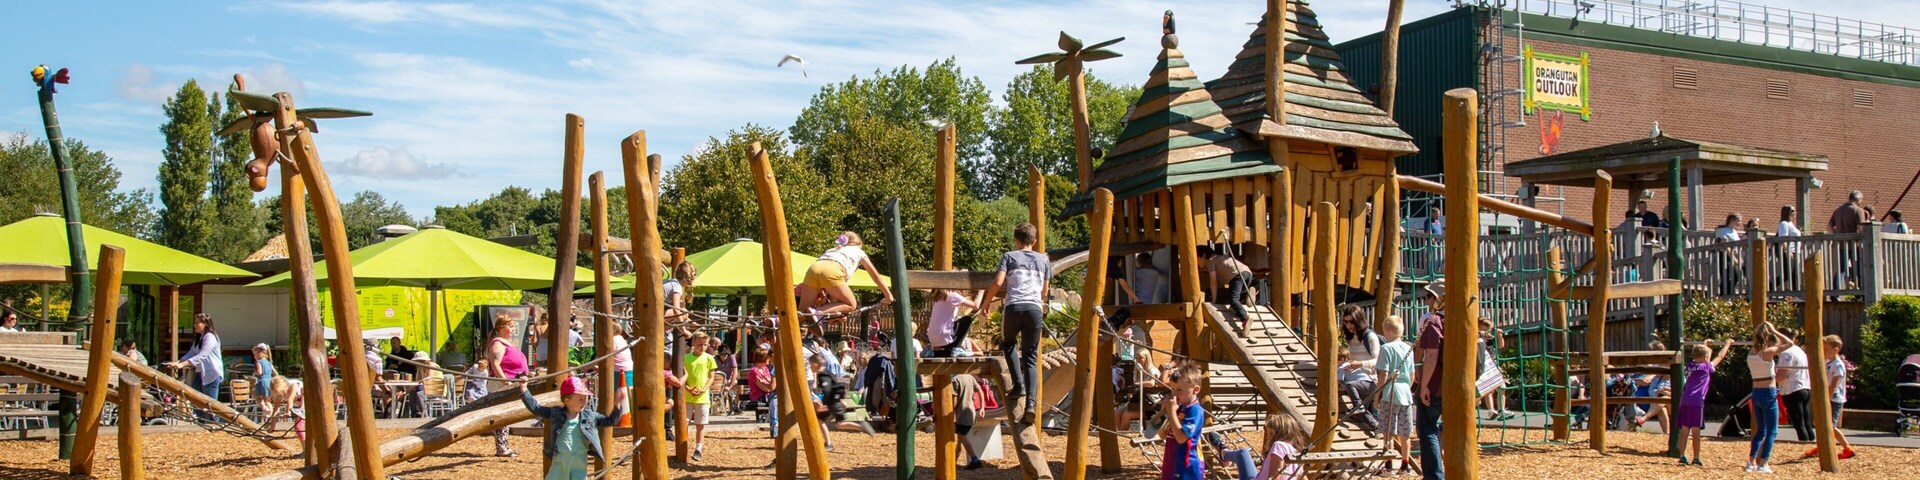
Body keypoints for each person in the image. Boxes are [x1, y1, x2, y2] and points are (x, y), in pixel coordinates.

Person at [986, 222, 1051, 421]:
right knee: (1031, 356)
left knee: (1008, 343)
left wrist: (986, 304)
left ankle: (1018, 384)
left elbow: (998, 282)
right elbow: (1045, 291)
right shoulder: (1044, 260)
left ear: (1016, 241)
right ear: (1035, 241)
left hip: (1014, 306)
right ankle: (1031, 403)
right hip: (1034, 308)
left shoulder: (1010, 256)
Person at [520, 377, 625, 480]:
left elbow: (610, 421)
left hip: (579, 460)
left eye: (585, 399)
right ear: (567, 401)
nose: (584, 402)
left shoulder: (589, 416)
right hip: (561, 459)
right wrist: (524, 390)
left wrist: (618, 404)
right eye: (580, 399)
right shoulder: (556, 413)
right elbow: (536, 408)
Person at [797, 231, 895, 317]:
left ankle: (790, 326)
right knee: (851, 305)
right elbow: (876, 277)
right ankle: (816, 313)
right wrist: (889, 296)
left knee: (802, 313)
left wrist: (834, 313)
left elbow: (834, 297)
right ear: (857, 244)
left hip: (813, 268)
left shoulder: (833, 249)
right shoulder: (859, 251)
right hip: (833, 270)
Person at [1674, 340, 1734, 466]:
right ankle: (1696, 457)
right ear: (1706, 357)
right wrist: (1727, 344)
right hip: (1696, 401)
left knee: (1685, 429)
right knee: (1696, 431)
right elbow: (1720, 357)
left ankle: (1682, 455)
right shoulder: (1707, 367)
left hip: (1685, 399)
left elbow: (1703, 355)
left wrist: (1705, 345)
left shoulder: (1689, 366)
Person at [1747, 322, 1794, 473]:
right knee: (1772, 431)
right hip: (1768, 391)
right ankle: (1763, 463)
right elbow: (1790, 343)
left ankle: (1751, 462)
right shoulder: (1767, 353)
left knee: (1760, 430)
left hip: (1756, 392)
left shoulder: (1751, 353)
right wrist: (1774, 330)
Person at [1373, 318, 1418, 476]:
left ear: (1388, 331)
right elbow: (1412, 375)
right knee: (1404, 432)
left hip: (1390, 393)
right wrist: (1406, 388)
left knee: (1387, 431)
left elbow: (1383, 374)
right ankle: (1405, 465)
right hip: (1405, 393)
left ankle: (1388, 465)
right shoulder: (1408, 349)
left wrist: (1377, 396)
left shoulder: (1386, 348)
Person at [1413, 281, 1447, 480]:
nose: (1427, 300)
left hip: (1436, 385)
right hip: (1460, 387)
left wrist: (1424, 384)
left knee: (1427, 429)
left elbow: (1431, 355)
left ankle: (1434, 476)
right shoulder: (1464, 320)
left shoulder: (1434, 321)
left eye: (1429, 296)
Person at [807, 354, 874, 452]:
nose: (810, 366)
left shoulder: (823, 376)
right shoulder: (828, 372)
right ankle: (861, 426)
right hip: (836, 401)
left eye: (810, 364)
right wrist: (841, 400)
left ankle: (829, 444)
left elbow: (827, 390)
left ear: (816, 364)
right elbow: (837, 385)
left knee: (821, 422)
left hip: (832, 403)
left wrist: (825, 405)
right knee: (840, 424)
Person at [1806, 335, 1857, 459]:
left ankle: (1847, 448)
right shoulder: (1829, 362)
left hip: (1833, 399)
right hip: (1827, 397)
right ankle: (1823, 445)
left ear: (1835, 350)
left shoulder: (1837, 365)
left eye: (1826, 350)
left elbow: (1833, 385)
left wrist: (1826, 399)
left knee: (1830, 425)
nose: (1823, 352)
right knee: (1820, 422)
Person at [165, 314, 224, 421]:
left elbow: (201, 356)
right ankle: (201, 423)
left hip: (211, 374)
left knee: (211, 405)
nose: (194, 325)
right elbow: (191, 353)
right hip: (200, 372)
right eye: (194, 323)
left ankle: (214, 426)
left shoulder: (210, 337)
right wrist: (177, 362)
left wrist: (181, 365)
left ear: (205, 324)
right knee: (196, 400)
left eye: (197, 323)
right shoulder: (199, 337)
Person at [486, 313, 529, 457]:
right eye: (511, 326)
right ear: (502, 327)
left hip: (513, 382)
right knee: (501, 415)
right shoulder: (497, 343)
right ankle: (502, 447)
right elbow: (495, 363)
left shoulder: (507, 343)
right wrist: (504, 380)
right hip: (501, 384)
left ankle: (504, 445)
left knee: (506, 415)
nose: (512, 329)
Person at [1159, 363, 1206, 480]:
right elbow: (1161, 434)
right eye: (1173, 389)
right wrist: (1163, 412)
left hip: (1187, 468)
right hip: (1171, 464)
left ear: (1195, 390)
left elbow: (1181, 438)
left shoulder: (1195, 411)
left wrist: (1171, 413)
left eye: (1180, 390)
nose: (1174, 394)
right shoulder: (1177, 408)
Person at [682, 331, 718, 460]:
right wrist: (687, 387)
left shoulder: (709, 358)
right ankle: (683, 446)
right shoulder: (685, 358)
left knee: (700, 424)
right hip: (687, 396)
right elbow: (683, 376)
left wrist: (703, 389)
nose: (702, 347)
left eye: (704, 345)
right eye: (699, 344)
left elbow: (711, 377)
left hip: (702, 397)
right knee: (684, 422)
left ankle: (698, 448)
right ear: (693, 343)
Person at [1202, 246, 1255, 331]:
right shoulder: (1221, 257)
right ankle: (1246, 294)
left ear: (1204, 256)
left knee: (1233, 300)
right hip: (1248, 273)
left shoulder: (1211, 261)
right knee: (1237, 298)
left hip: (1236, 274)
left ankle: (1245, 319)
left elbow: (1213, 281)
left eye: (1197, 258)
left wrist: (1214, 300)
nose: (1196, 262)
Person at [1776, 327, 1814, 442]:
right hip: (1804, 387)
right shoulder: (1799, 350)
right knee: (1806, 421)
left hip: (1792, 390)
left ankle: (1803, 443)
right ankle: (1811, 442)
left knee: (1798, 422)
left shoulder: (1786, 354)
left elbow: (1781, 375)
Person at [1340, 305, 1380, 403]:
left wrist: (1360, 363)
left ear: (1358, 320)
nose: (1348, 325)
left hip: (1369, 381)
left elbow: (1378, 361)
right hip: (1353, 379)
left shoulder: (1370, 336)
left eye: (1351, 322)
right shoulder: (1350, 338)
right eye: (1346, 322)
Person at [927, 287, 982, 358]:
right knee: (967, 320)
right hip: (943, 336)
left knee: (948, 351)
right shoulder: (953, 295)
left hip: (933, 340)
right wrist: (981, 291)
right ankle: (956, 348)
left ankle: (933, 352)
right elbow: (976, 305)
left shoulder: (939, 297)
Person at [1255, 412, 1306, 480]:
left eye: (1270, 433)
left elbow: (1274, 477)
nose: (1268, 437)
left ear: (1278, 434)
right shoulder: (1296, 451)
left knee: (1242, 454)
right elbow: (1301, 476)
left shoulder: (1278, 446)